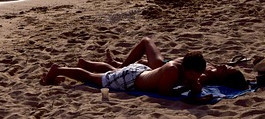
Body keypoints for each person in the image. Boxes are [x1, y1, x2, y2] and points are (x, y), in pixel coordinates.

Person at [41, 37, 207, 96]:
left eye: (197, 75)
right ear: (185, 68)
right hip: (131, 79)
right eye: (193, 75)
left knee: (109, 72)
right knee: (90, 78)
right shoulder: (172, 70)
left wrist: (193, 83)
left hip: (142, 72)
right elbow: (164, 92)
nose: (196, 78)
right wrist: (188, 86)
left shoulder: (184, 62)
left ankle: (88, 64)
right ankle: (57, 70)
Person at [105, 38, 249, 90]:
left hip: (163, 67)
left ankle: (119, 67)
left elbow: (195, 81)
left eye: (227, 70)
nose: (226, 67)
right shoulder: (216, 70)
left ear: (223, 78)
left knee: (146, 42)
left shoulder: (207, 75)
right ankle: (117, 65)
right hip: (169, 65)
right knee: (142, 62)